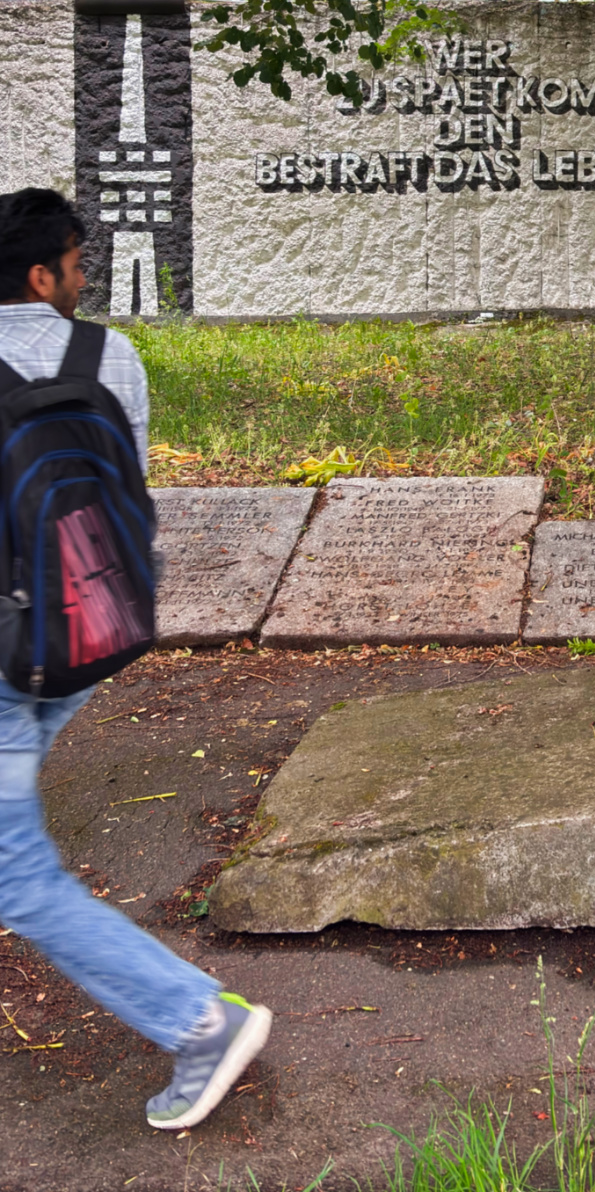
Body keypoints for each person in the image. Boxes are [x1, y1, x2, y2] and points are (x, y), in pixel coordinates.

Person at [0, 187, 271, 1131]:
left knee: (15, 874)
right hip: (94, 630)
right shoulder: (110, 355)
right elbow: (132, 491)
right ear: (42, 275)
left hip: (8, 658)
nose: (84, 280)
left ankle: (199, 1020)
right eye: (78, 265)